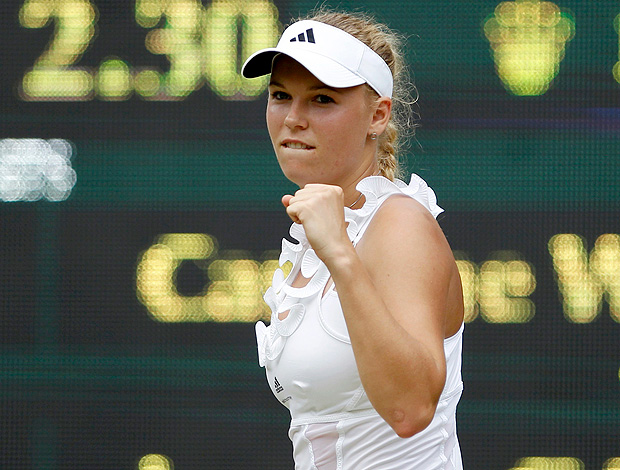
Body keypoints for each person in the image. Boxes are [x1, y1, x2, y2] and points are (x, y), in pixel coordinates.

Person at [242, 9, 464, 469]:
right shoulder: (311, 243)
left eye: (322, 100)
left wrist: (341, 254)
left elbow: (410, 410)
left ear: (377, 116)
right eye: (280, 96)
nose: (293, 119)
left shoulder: (400, 223)